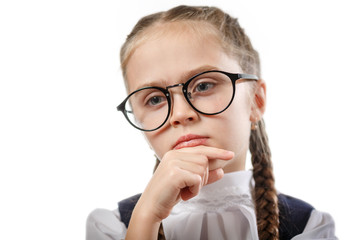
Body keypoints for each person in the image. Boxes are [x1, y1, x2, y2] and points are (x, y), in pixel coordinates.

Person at [86, 5, 337, 240]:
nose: (180, 114)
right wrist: (145, 219)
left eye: (203, 85)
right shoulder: (116, 227)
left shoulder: (308, 226)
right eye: (154, 100)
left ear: (255, 101)